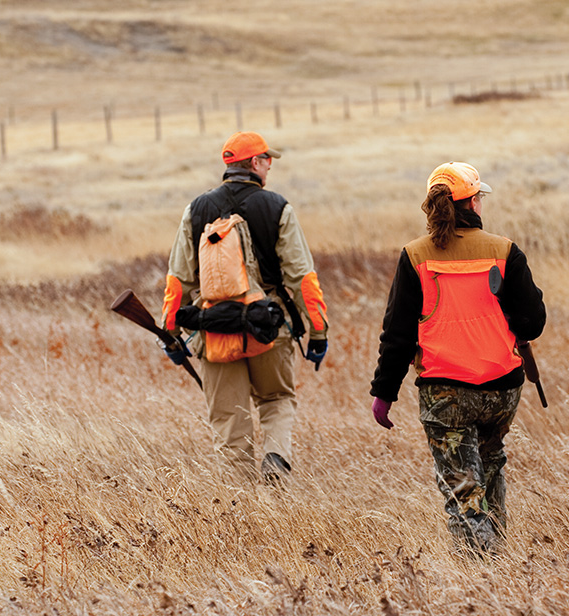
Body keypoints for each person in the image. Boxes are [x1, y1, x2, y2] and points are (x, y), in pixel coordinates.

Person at [370, 161, 546, 555]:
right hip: (501, 390)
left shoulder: (415, 256)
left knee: (462, 485)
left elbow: (397, 334)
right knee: (491, 462)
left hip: (445, 392)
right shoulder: (504, 251)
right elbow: (533, 323)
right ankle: (497, 560)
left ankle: (478, 567)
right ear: (474, 203)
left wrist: (384, 393)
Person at [161, 131, 328, 483]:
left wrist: (171, 334)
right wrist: (318, 332)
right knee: (277, 400)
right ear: (254, 163)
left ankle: (242, 511)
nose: (269, 167)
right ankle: (275, 459)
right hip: (270, 330)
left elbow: (178, 280)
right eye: (267, 160)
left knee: (229, 422)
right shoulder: (278, 207)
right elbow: (303, 278)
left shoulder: (196, 209)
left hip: (215, 332)